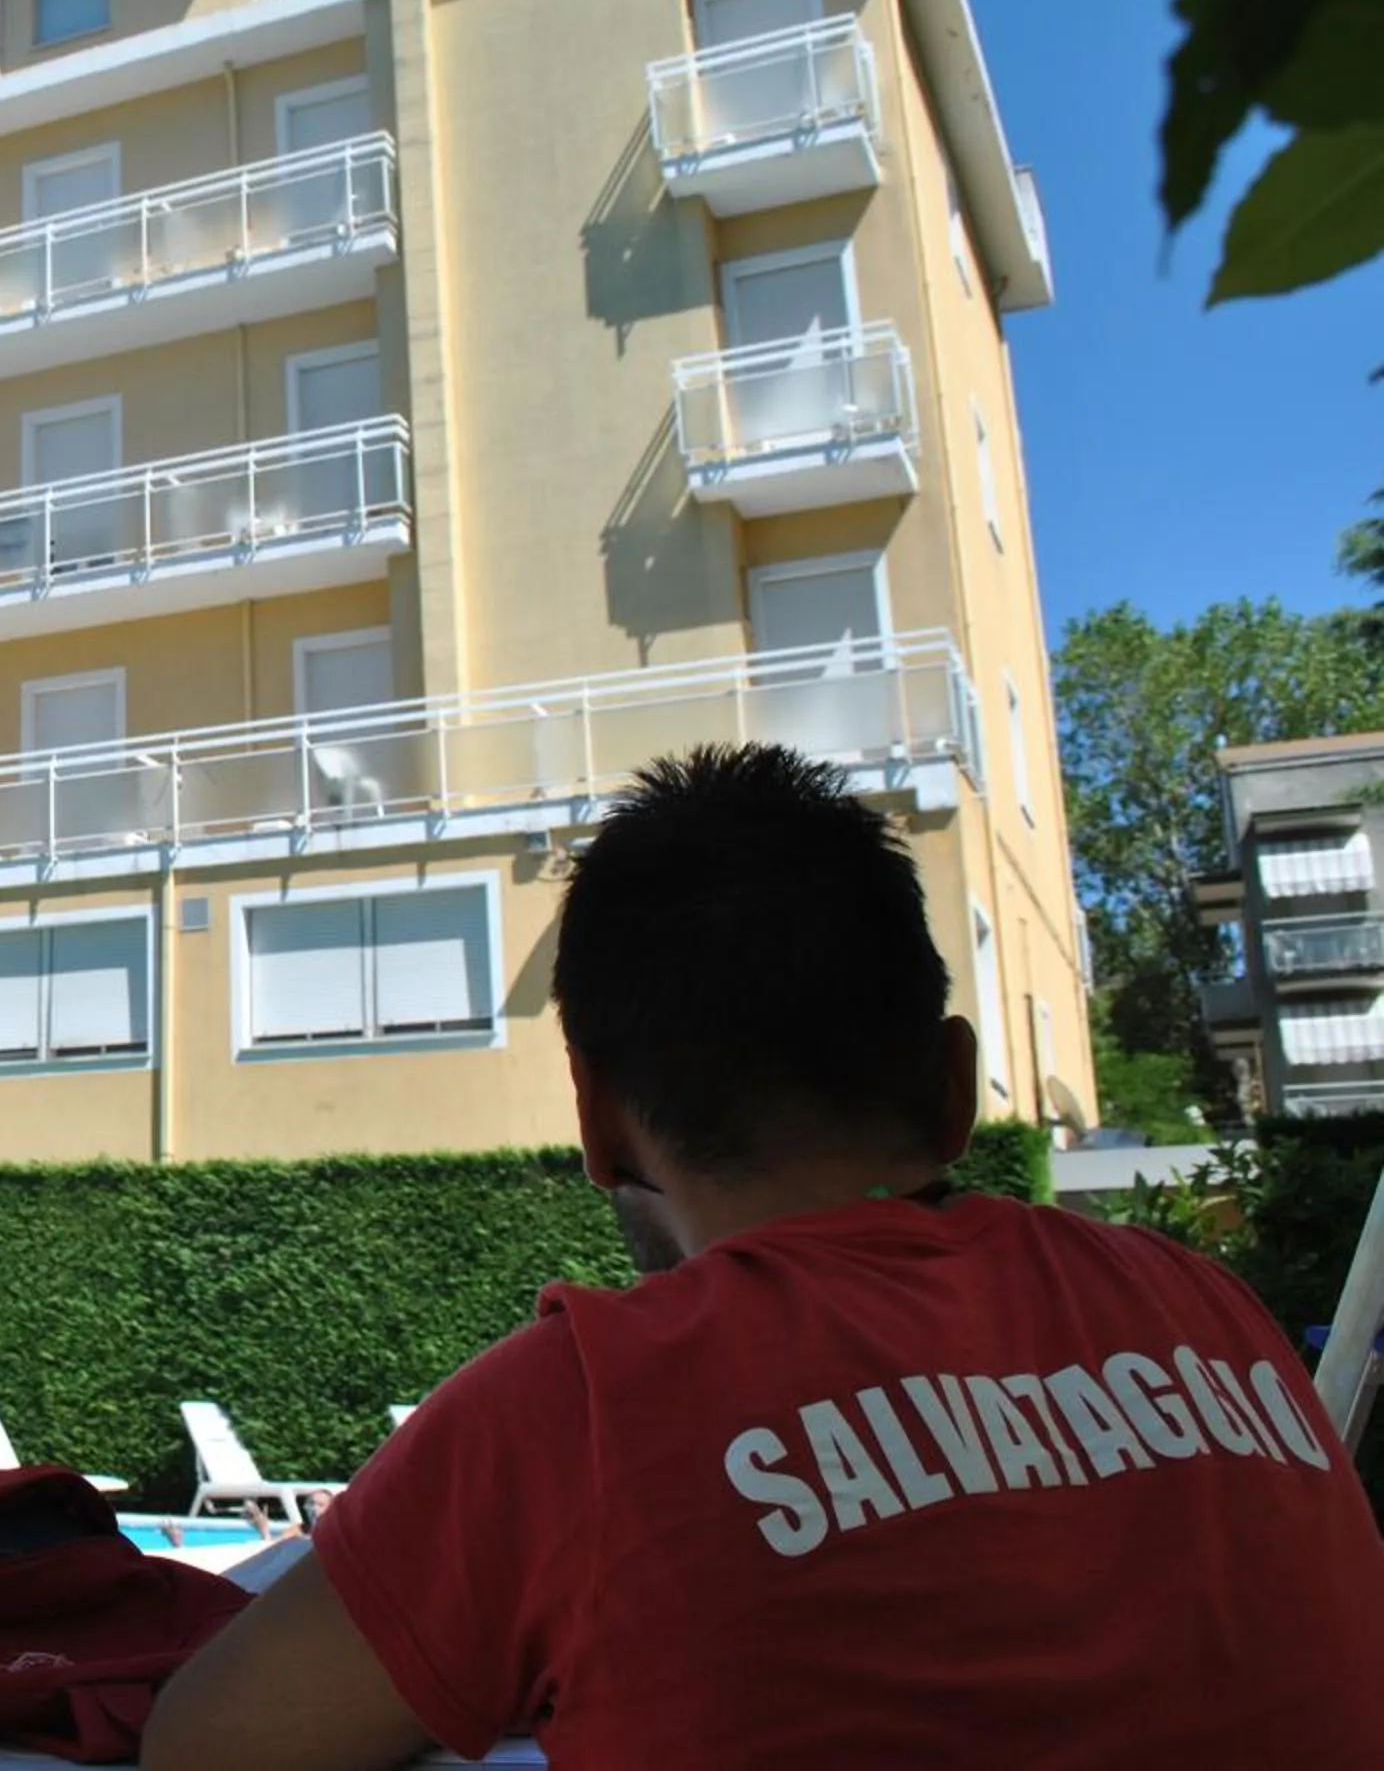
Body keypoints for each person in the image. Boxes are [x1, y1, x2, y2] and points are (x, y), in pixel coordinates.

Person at [145, 744, 1384, 1769]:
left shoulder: (579, 1416)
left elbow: (205, 1746)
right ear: (955, 1086)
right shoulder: (1213, 1315)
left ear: (595, 1116)